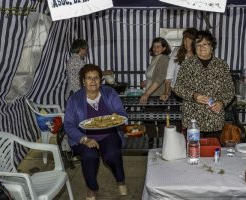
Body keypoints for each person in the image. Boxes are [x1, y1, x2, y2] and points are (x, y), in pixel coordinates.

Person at [64, 64, 127, 200]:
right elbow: (68, 125)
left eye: (96, 78)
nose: (93, 81)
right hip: (85, 136)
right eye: (89, 78)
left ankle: (120, 179)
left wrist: (117, 115)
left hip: (109, 133)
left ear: (101, 79)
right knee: (89, 156)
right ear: (83, 81)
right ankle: (91, 188)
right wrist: (84, 139)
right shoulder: (74, 99)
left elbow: (122, 113)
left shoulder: (109, 92)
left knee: (112, 154)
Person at [173, 30, 235, 141]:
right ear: (194, 48)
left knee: (212, 154)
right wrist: (194, 95)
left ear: (212, 47)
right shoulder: (187, 65)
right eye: (198, 44)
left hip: (214, 119)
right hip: (192, 121)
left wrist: (221, 103)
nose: (202, 47)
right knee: (193, 153)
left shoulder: (221, 65)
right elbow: (177, 87)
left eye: (205, 44)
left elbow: (230, 90)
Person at [160, 28, 198, 102]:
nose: (186, 43)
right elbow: (169, 76)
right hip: (178, 92)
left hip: (196, 93)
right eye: (185, 40)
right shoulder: (176, 52)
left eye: (189, 40)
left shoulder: (200, 53)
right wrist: (166, 92)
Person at [139, 37, 171, 104]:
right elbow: (154, 75)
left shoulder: (164, 59)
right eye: (154, 46)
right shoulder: (155, 58)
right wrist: (146, 81)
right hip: (152, 95)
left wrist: (147, 93)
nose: (155, 49)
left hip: (159, 97)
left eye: (158, 47)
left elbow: (160, 78)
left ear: (164, 48)